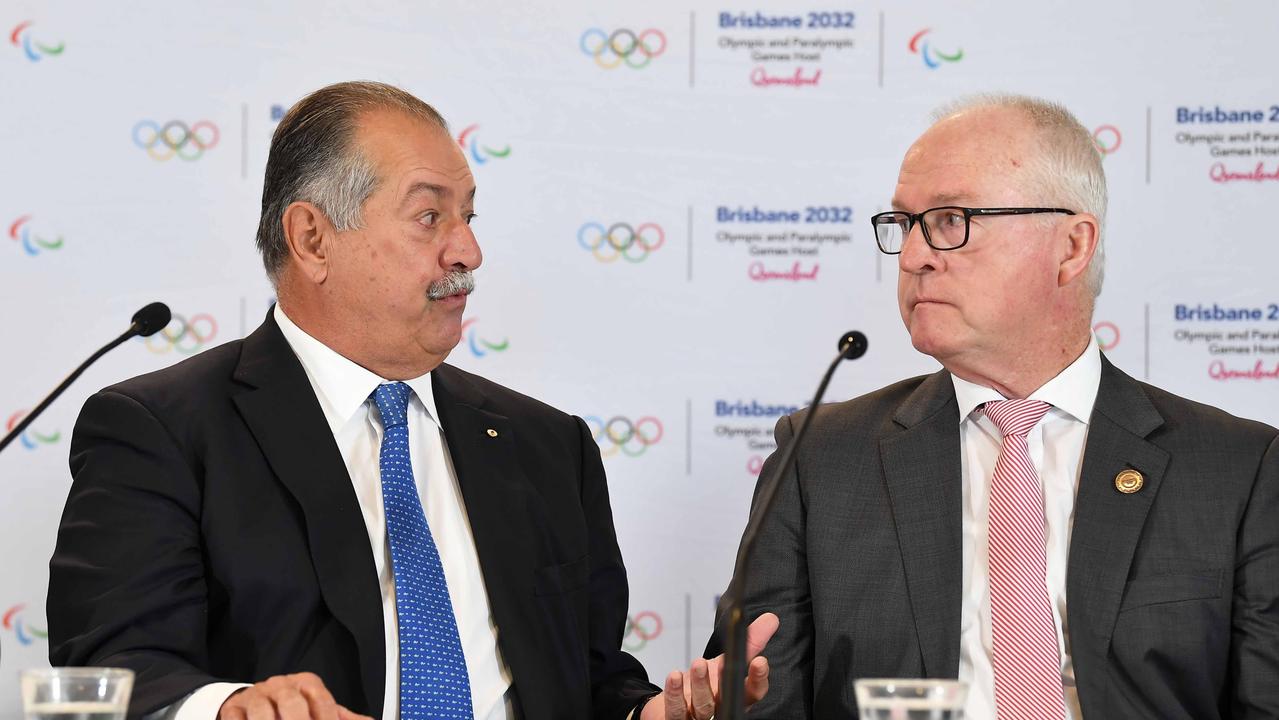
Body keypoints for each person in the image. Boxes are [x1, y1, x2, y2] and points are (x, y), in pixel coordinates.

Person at [47, 81, 775, 720]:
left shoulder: (548, 445)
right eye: (430, 217)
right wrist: (234, 707)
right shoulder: (164, 431)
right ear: (311, 238)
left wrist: (648, 714)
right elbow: (113, 672)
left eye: (469, 217)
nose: (467, 252)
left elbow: (588, 680)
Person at [710, 94, 1279, 718]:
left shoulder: (1238, 469)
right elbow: (756, 698)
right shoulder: (819, 457)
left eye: (952, 221)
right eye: (904, 224)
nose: (913, 257)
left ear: (1071, 247)